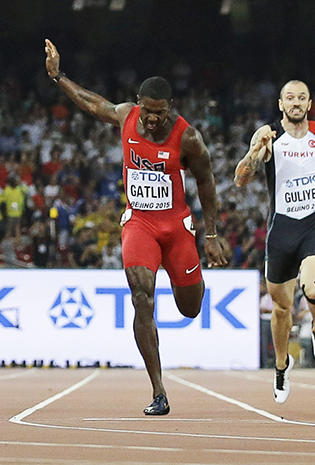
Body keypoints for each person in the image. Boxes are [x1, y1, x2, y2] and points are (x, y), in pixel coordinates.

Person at [44, 41, 227, 416]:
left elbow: (206, 184)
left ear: (169, 108)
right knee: (142, 297)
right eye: (147, 111)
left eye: (159, 113)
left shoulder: (188, 138)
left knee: (190, 307)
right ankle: (159, 390)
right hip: (140, 223)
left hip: (176, 226)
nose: (152, 119)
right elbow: (93, 102)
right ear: (138, 102)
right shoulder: (127, 116)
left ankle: (191, 281)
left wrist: (210, 235)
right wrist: (58, 76)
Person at [233, 80, 315, 403]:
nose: (296, 102)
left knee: (313, 287)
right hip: (281, 230)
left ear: (309, 103)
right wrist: (254, 152)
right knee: (281, 308)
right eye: (290, 98)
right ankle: (281, 365)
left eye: (301, 98)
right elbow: (240, 179)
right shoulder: (269, 135)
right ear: (281, 104)